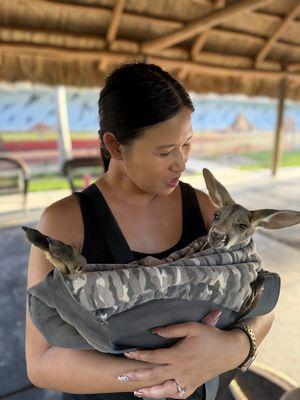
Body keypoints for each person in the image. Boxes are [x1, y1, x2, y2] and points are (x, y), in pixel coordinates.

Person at [25, 62, 275, 399]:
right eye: (165, 151)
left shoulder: (202, 208)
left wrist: (235, 346)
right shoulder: (65, 222)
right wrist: (165, 372)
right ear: (114, 145)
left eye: (186, 145)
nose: (181, 163)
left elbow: (260, 296)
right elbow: (41, 361)